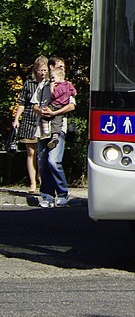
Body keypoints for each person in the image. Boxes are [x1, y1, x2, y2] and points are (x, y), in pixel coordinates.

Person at [36, 56, 75, 208]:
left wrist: (54, 112)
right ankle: (47, 196)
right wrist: (42, 111)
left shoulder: (66, 85)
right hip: (43, 128)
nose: (62, 70)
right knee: (43, 163)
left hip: (58, 127)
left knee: (54, 161)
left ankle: (63, 193)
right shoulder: (43, 86)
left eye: (63, 67)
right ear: (51, 68)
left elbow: (72, 106)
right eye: (60, 67)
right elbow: (34, 104)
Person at [10, 56, 48, 194]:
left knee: (42, 153)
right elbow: (22, 102)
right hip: (29, 119)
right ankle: (32, 183)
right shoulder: (29, 83)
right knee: (31, 152)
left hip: (44, 121)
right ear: (35, 70)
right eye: (40, 70)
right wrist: (16, 119)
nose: (42, 73)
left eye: (45, 70)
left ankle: (42, 180)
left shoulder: (50, 83)